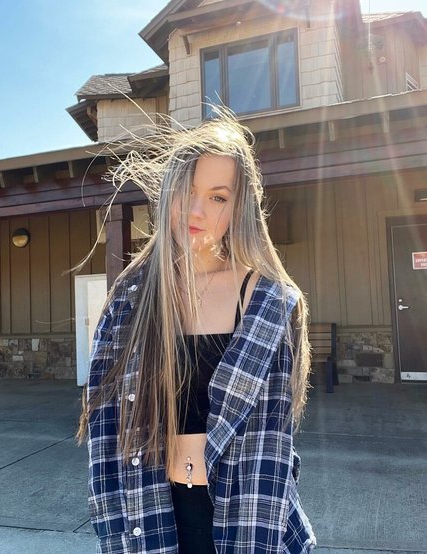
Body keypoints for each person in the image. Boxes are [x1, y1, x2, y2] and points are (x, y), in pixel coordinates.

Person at [77, 111, 316, 553]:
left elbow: (274, 442)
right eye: (186, 191)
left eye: (217, 196)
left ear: (240, 207)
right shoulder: (131, 298)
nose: (196, 210)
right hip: (152, 516)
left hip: (247, 519)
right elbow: (105, 431)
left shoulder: (269, 301)